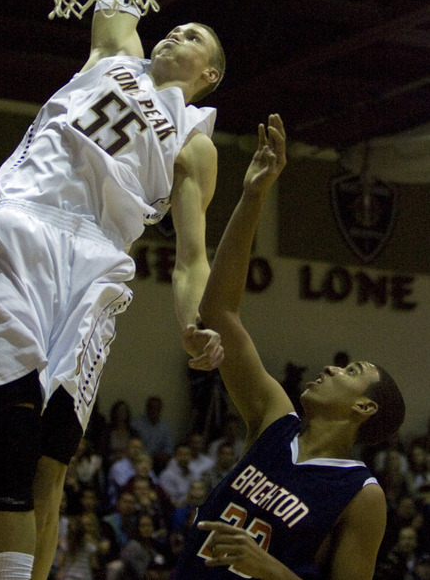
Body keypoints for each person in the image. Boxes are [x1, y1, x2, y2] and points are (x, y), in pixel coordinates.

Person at [0, 0, 225, 580]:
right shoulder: (114, 52)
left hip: (99, 262)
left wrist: (193, 322)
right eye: (176, 27)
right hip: (24, 225)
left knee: (54, 455)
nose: (176, 35)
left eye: (195, 37)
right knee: (14, 439)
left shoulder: (195, 141)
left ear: (210, 75)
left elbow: (192, 256)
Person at [173, 114, 406, 580]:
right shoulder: (276, 421)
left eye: (351, 371)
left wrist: (267, 568)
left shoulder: (362, 494)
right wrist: (253, 196)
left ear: (363, 407)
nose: (332, 369)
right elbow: (220, 313)